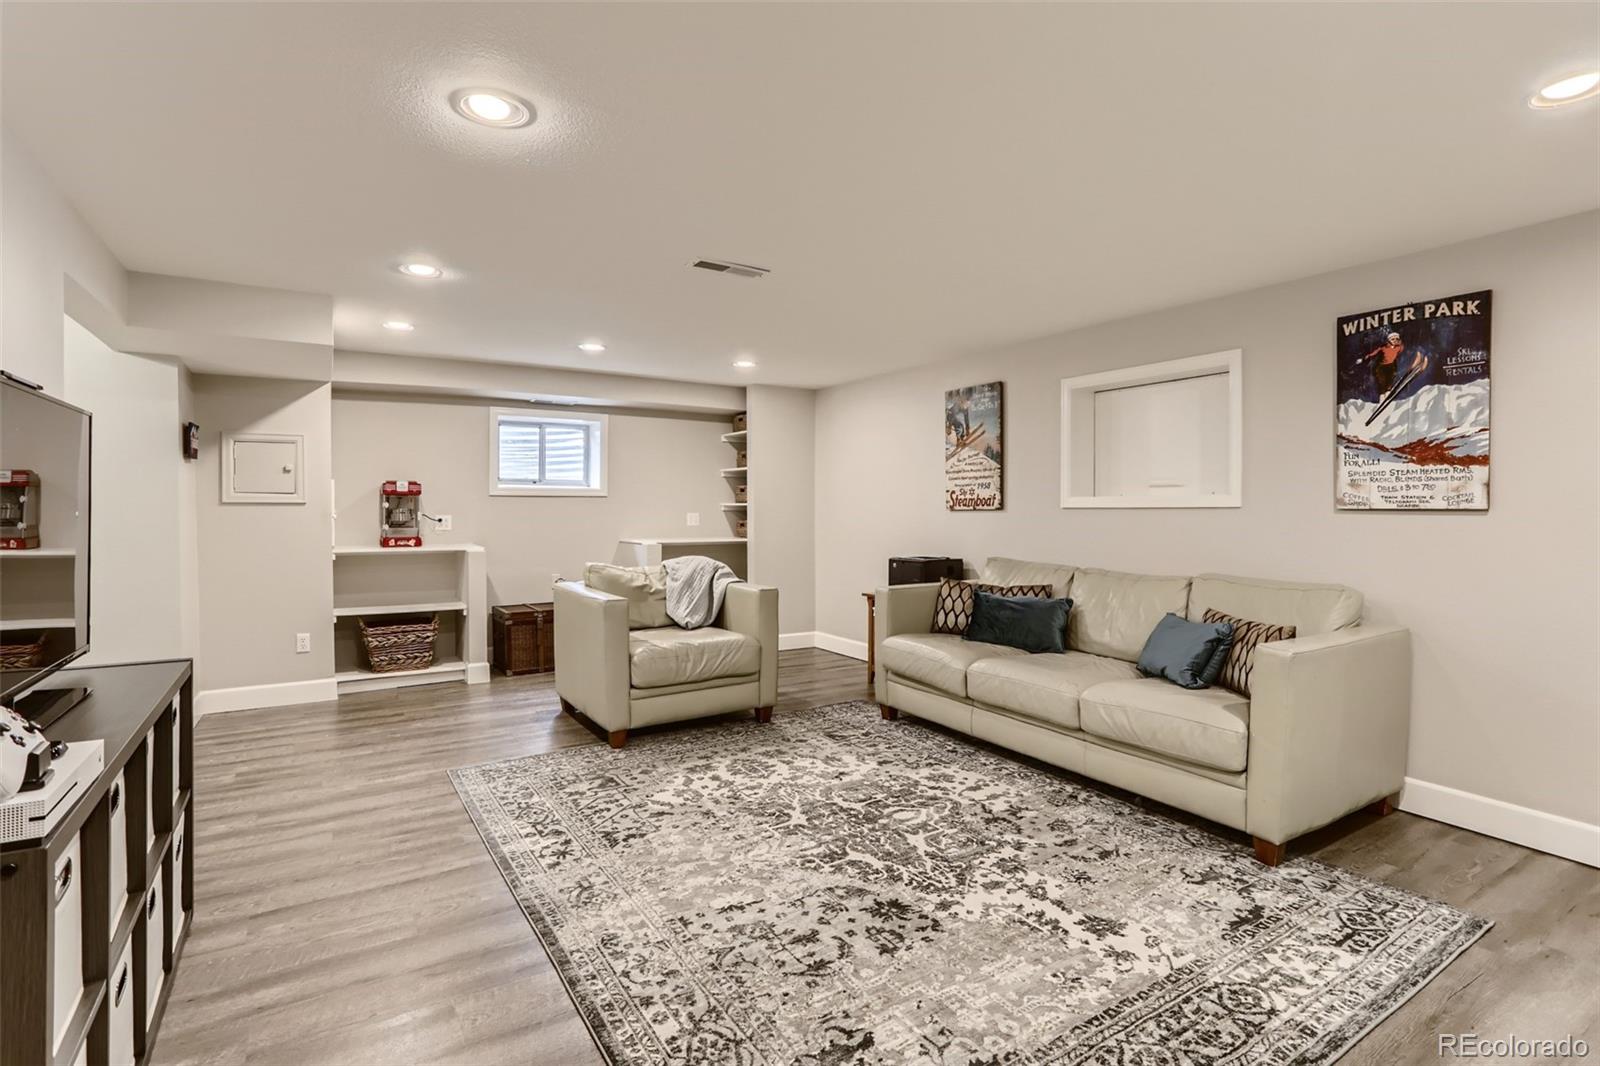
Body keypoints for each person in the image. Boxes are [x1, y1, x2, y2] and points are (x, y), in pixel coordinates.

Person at [1355, 332, 1406, 400]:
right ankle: (1382, 396)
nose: (1395, 341)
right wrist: (1363, 359)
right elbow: (1373, 354)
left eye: (1397, 339)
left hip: (1391, 366)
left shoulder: (1399, 347)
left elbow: (1401, 349)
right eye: (1393, 339)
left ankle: (1388, 392)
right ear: (1389, 340)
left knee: (1390, 380)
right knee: (1382, 381)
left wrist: (1400, 343)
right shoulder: (1383, 347)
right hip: (1381, 367)